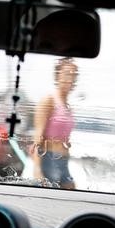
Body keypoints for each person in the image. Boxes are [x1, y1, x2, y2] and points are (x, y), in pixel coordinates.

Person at [30, 57, 78, 189]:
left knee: (71, 193)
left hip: (64, 161)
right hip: (49, 160)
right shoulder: (49, 101)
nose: (71, 79)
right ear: (58, 76)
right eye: (67, 74)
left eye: (74, 75)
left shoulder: (68, 106)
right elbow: (37, 137)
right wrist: (37, 169)